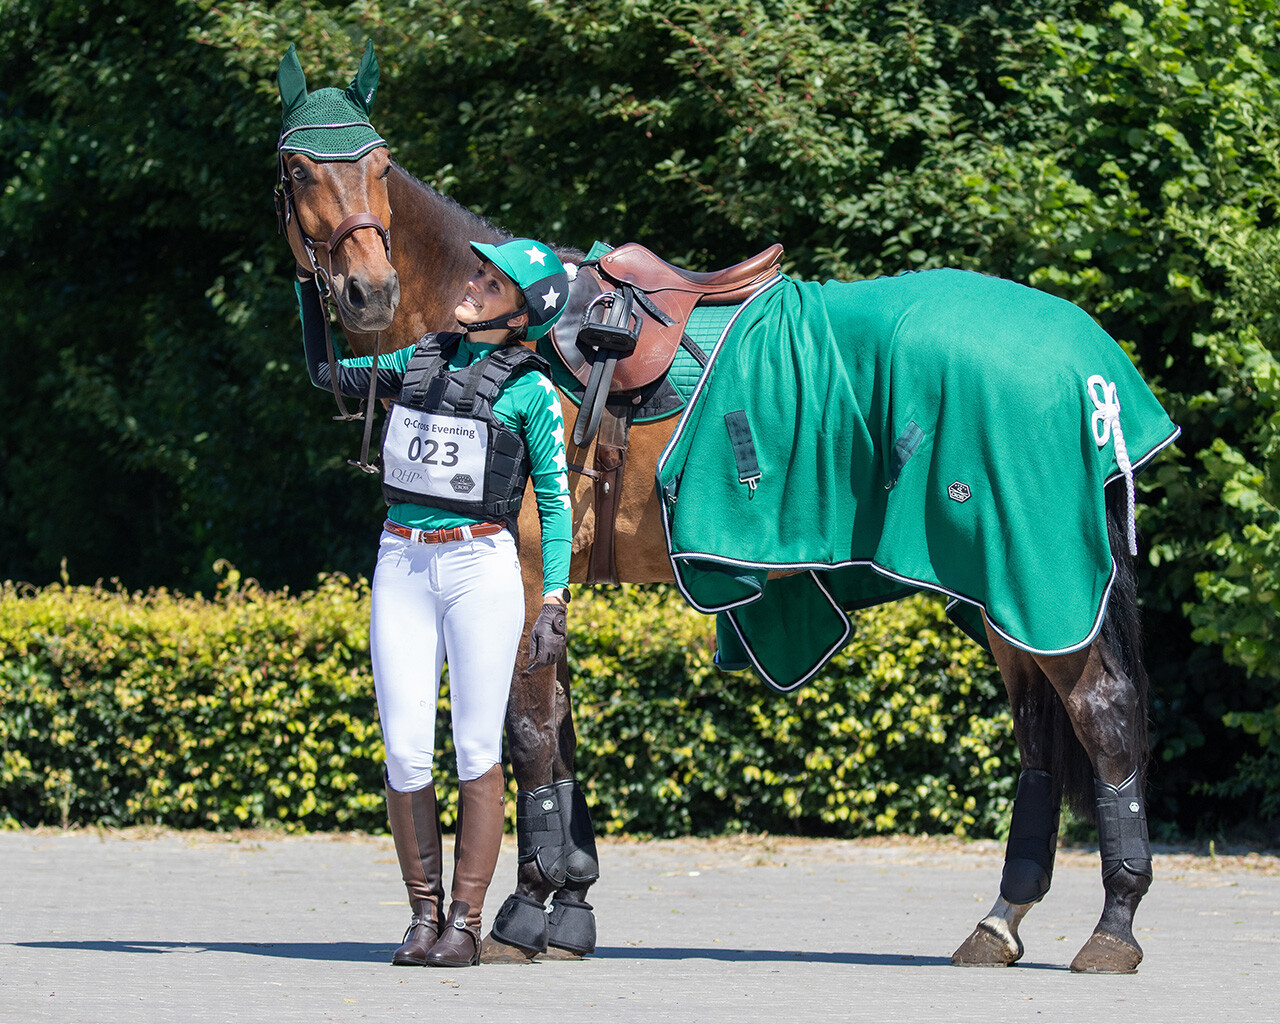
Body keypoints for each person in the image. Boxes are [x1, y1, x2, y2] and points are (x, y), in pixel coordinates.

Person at [296, 237, 574, 968]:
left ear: (521, 315)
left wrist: (553, 601)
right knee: (403, 751)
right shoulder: (416, 359)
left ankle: (466, 922)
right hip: (401, 564)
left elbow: (555, 501)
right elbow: (325, 370)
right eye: (480, 272)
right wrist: (306, 283)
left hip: (481, 567)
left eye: (494, 283)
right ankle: (422, 918)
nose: (476, 283)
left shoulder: (530, 390)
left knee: (477, 748)